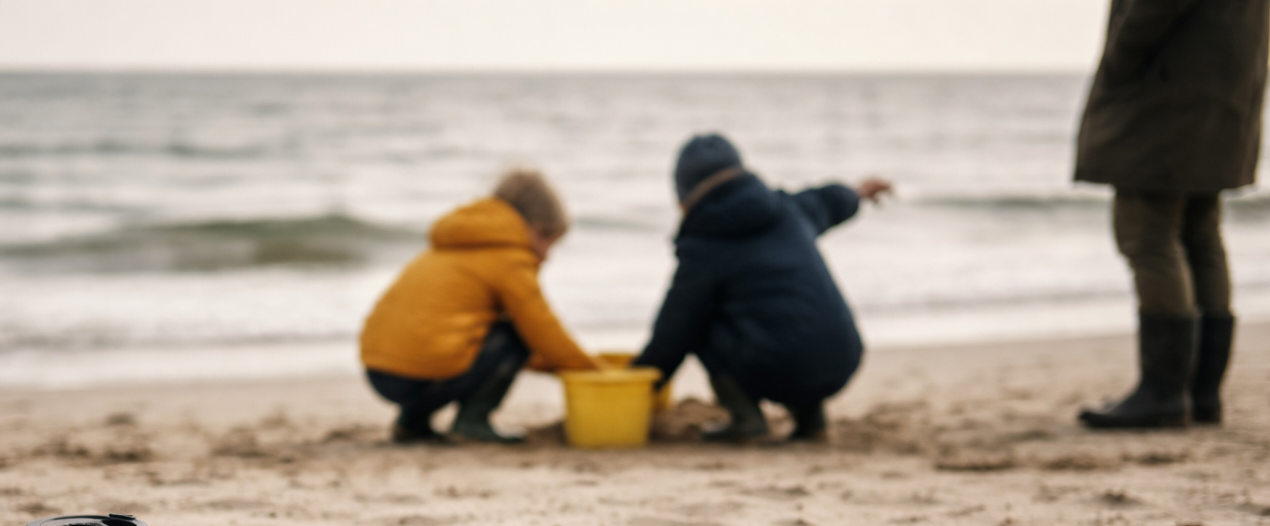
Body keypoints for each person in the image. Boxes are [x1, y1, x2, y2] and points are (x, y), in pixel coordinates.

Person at [1075, 0, 1270, 429]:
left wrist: (1118, 60)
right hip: (1223, 88)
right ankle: (1200, 393)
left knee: (1147, 233)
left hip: (1166, 92)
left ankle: (1164, 393)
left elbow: (1151, 12)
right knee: (1200, 232)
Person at [631, 134, 892, 442]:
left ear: (684, 197)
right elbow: (833, 199)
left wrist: (639, 384)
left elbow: (673, 331)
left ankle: (746, 419)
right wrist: (858, 192)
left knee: (698, 320)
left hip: (779, 371)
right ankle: (811, 419)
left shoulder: (704, 245)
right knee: (792, 320)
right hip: (842, 359)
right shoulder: (788, 209)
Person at [359, 168, 598, 443]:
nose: (546, 257)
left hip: (378, 372)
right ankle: (472, 420)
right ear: (534, 228)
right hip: (424, 380)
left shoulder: (452, 244)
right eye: (547, 241)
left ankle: (412, 422)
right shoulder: (509, 257)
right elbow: (543, 330)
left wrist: (553, 365)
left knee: (441, 342)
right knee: (515, 334)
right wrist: (594, 372)